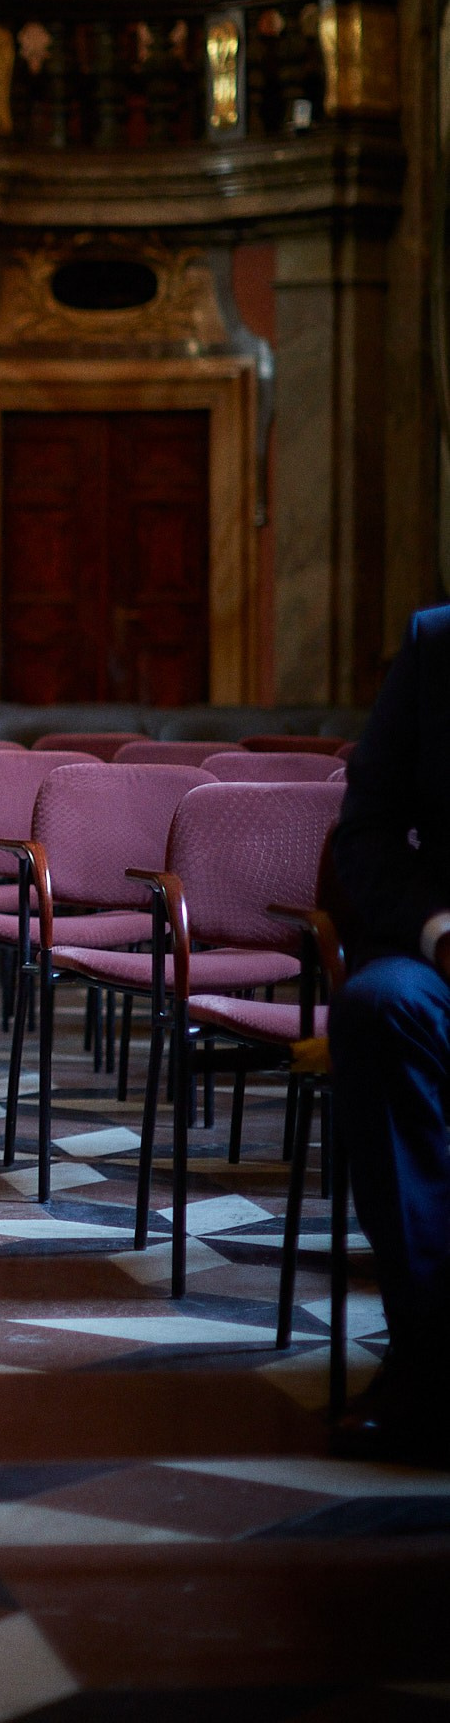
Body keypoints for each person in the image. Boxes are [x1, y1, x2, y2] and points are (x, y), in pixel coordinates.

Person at [329, 603, 450, 1463]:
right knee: (380, 1007)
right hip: (441, 953)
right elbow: (364, 831)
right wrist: (436, 928)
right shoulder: (436, 644)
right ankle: (428, 1358)